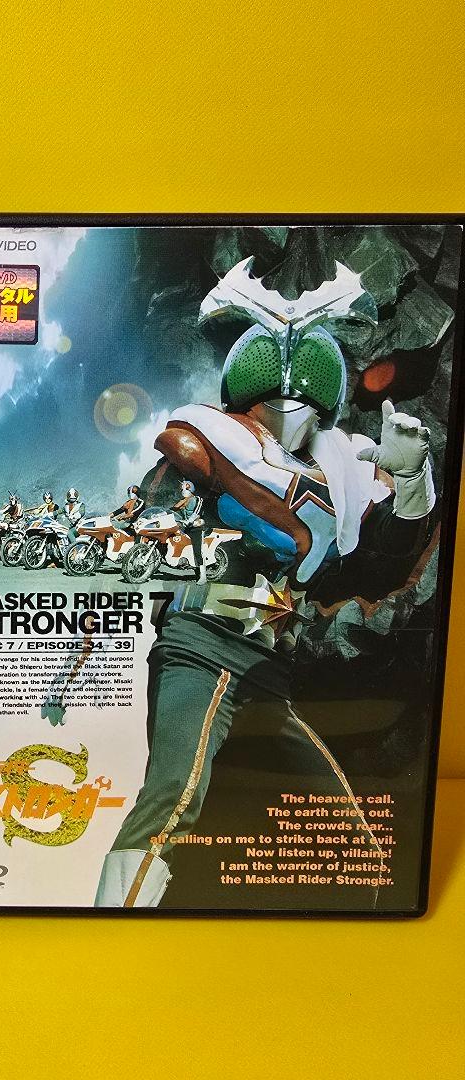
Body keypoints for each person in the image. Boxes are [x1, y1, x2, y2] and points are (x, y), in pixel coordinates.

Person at [94, 259, 437, 907]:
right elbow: (160, 489)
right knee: (173, 800)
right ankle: (110, 934)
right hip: (205, 646)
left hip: (266, 670)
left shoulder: (344, 469)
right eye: (271, 371)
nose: (287, 387)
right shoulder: (212, 440)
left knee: (351, 848)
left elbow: (381, 567)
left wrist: (412, 480)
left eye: (303, 374)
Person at [171, 478, 206, 582]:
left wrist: (189, 521)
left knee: (197, 551)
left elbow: (197, 512)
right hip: (185, 527)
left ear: (188, 488)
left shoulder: (197, 499)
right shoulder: (183, 500)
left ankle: (203, 577)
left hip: (196, 528)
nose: (181, 490)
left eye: (183, 488)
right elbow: (172, 510)